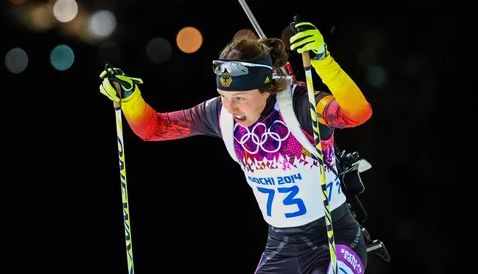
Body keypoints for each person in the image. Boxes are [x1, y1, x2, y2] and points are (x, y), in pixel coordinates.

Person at [99, 19, 373, 274]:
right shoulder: (218, 114)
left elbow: (357, 113)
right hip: (283, 247)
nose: (231, 108)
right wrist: (130, 97)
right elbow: (154, 129)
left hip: (335, 236)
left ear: (267, 88)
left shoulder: (302, 104)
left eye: (240, 98)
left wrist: (323, 60)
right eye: (224, 96)